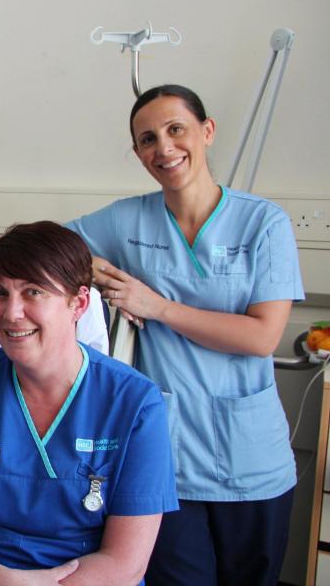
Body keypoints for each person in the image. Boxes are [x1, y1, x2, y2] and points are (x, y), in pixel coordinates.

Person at [67, 84, 303, 585]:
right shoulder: (129, 219)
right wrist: (98, 272)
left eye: (176, 130)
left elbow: (262, 337)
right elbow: (43, 246)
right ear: (138, 153)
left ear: (207, 131)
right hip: (167, 462)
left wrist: (156, 307)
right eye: (148, 139)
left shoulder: (263, 223)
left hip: (250, 461)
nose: (165, 148)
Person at [0, 222, 178, 585]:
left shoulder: (134, 403)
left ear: (78, 303)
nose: (11, 313)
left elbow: (125, 561)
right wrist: (2, 582)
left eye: (33, 292)